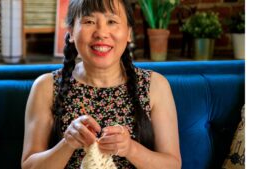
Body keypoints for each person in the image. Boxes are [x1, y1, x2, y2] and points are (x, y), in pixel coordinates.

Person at [21, 0, 181, 168]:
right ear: (71, 33)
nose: (101, 33)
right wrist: (67, 144)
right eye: (89, 21)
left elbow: (172, 165)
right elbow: (30, 166)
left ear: (128, 33)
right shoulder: (46, 87)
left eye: (112, 21)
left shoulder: (155, 86)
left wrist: (130, 149)